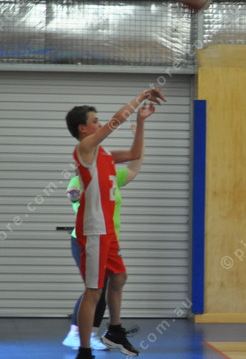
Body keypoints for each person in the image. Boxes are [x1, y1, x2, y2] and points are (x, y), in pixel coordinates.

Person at [65, 88, 165, 359]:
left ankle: (115, 332)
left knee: (119, 277)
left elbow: (135, 153)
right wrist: (141, 96)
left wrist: (141, 122)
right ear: (83, 128)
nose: (100, 124)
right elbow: (117, 121)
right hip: (94, 230)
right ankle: (84, 350)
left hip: (108, 231)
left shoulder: (105, 154)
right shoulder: (85, 149)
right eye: (95, 121)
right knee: (93, 291)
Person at [62, 124, 145, 351]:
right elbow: (73, 196)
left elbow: (134, 166)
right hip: (85, 239)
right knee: (95, 287)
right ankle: (75, 335)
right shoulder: (79, 180)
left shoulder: (110, 177)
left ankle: (102, 332)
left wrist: (139, 134)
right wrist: (74, 196)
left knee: (113, 281)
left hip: (108, 238)